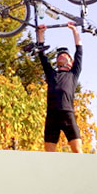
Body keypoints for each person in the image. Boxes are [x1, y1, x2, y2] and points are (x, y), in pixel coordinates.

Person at [34, 22, 83, 153]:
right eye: (59, 55)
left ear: (70, 61)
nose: (60, 55)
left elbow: (79, 51)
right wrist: (41, 34)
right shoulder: (52, 74)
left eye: (64, 54)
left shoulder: (73, 73)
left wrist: (74, 30)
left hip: (67, 114)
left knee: (78, 151)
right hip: (52, 116)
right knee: (49, 153)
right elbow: (42, 56)